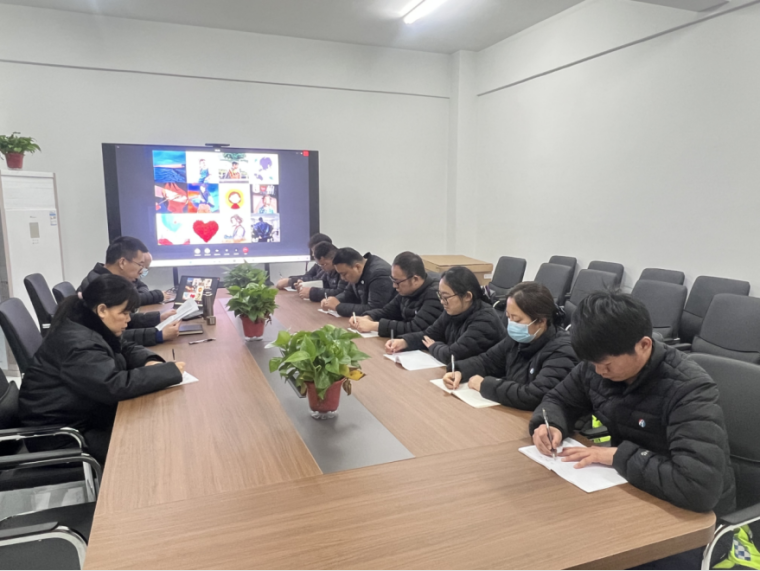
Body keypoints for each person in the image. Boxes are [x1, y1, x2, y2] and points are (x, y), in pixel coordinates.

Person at [530, 291, 735, 569]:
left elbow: (699, 487)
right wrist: (549, 424)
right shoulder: (597, 366)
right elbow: (558, 399)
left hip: (691, 523)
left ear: (644, 345)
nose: (598, 371)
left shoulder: (688, 388)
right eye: (593, 363)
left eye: (606, 364)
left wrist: (617, 456)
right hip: (633, 489)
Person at [19, 274, 185, 465]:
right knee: (147, 452)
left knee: (153, 431)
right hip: (62, 437)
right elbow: (113, 386)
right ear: (102, 310)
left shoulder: (89, 324)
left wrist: (150, 361)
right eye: (124, 313)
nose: (128, 320)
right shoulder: (78, 343)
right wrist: (168, 372)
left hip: (84, 418)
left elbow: (124, 347)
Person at [442, 282, 578, 410]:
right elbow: (487, 362)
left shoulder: (563, 351)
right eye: (508, 317)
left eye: (517, 319)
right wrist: (460, 372)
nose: (511, 324)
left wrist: (485, 385)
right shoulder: (517, 339)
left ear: (541, 321)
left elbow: (536, 395)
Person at [385, 266, 505, 363]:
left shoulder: (485, 321)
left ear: (467, 296)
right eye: (440, 296)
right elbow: (429, 335)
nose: (442, 302)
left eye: (446, 297)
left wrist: (434, 346)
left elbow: (451, 356)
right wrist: (404, 342)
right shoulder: (453, 310)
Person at [79, 237, 180, 346]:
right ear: (122, 262)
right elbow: (110, 336)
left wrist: (157, 318)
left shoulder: (107, 280)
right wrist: (158, 335)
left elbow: (125, 320)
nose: (141, 272)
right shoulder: (101, 288)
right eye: (140, 265)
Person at [350, 252, 443, 338]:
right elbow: (387, 312)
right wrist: (368, 317)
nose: (394, 286)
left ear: (415, 279)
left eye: (397, 282)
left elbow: (415, 328)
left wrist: (374, 326)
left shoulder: (434, 295)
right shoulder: (406, 291)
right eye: (393, 280)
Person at [322, 248, 395, 318]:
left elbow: (374, 309)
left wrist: (338, 307)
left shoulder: (379, 274)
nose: (342, 278)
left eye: (344, 274)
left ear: (357, 267)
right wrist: (333, 300)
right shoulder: (359, 270)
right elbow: (348, 294)